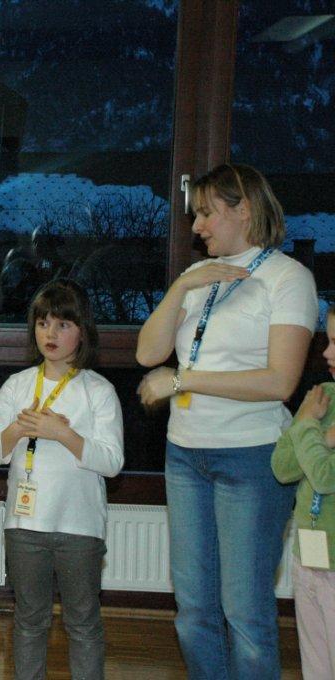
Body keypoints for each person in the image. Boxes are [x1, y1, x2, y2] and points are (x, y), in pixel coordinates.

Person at [135, 163, 317, 679]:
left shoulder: (288, 278)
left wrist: (183, 380)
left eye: (207, 214)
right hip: (185, 454)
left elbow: (279, 382)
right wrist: (180, 289)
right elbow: (148, 353)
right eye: (196, 216)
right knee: (193, 611)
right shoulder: (197, 278)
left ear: (246, 210)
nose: (197, 227)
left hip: (252, 457)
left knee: (245, 612)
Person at [0, 279, 123, 680]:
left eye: (63, 324)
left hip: (80, 528)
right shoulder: (17, 385)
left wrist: (62, 433)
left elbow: (112, 463)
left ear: (83, 331)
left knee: (83, 622)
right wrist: (19, 428)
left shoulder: (99, 390)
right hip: (24, 526)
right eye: (43, 324)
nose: (51, 334)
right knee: (29, 621)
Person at [271, 305, 335, 679]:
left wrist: (309, 430)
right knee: (315, 666)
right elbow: (283, 467)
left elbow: (324, 477)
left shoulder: (314, 409)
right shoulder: (322, 397)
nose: (326, 352)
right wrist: (319, 435)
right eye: (328, 340)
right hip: (308, 558)